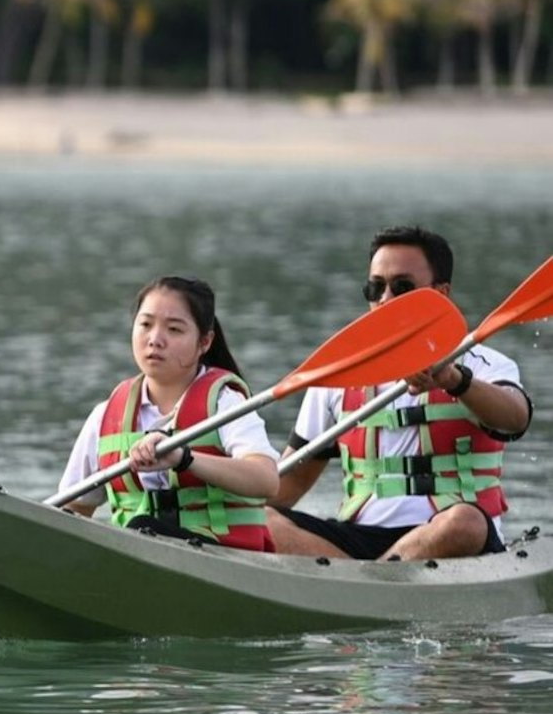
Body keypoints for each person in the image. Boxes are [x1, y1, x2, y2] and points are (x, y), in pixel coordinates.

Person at [268, 225, 532, 561]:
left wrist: (453, 380)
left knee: (466, 522)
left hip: (450, 536)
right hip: (358, 540)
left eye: (402, 287)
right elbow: (287, 485)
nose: (386, 299)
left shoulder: (484, 364)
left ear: (442, 293)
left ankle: (369, 582)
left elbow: (515, 418)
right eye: (376, 287)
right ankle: (375, 579)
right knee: (263, 521)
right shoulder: (336, 376)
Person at [58, 275, 279, 549]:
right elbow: (72, 510)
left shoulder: (226, 403)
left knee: (142, 529)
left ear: (205, 342)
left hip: (223, 554)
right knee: (139, 530)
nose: (155, 339)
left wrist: (183, 458)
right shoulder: (104, 416)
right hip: (137, 550)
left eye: (174, 330)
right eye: (145, 325)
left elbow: (267, 480)